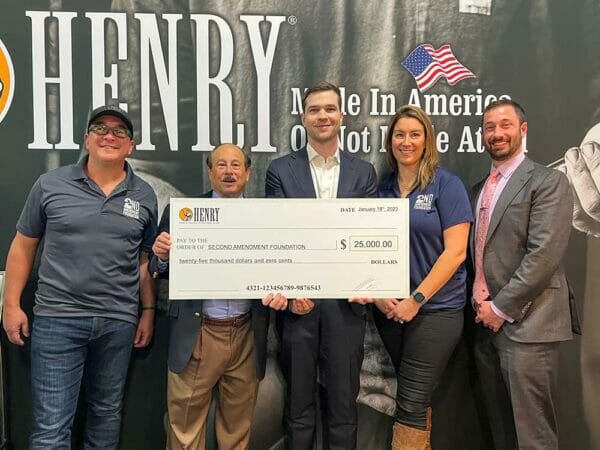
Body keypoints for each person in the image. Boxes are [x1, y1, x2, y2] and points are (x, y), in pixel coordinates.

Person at [1, 105, 158, 449]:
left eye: (120, 132)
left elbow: (144, 260)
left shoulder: (144, 195)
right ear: (87, 139)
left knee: (106, 416)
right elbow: (23, 247)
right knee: (51, 426)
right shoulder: (50, 184)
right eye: (100, 128)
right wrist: (10, 305)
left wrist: (147, 311)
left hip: (118, 321)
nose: (109, 136)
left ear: (131, 146)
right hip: (58, 318)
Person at [148, 143, 288, 450]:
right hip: (199, 331)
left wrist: (282, 291)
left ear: (248, 173)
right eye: (221, 165)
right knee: (184, 427)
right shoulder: (181, 213)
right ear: (210, 172)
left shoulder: (266, 218)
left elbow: (277, 269)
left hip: (247, 333)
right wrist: (160, 255)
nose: (228, 171)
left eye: (236, 165)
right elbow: (160, 268)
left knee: (237, 428)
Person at [264, 80, 377, 450]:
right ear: (304, 118)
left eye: (330, 109)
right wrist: (294, 289)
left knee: (344, 408)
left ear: (341, 116)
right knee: (298, 409)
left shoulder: (364, 173)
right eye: (315, 110)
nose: (323, 116)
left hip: (346, 309)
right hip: (299, 308)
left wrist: (366, 284)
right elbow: (278, 236)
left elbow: (369, 238)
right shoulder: (280, 170)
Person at [469, 99, 577, 450]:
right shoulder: (479, 189)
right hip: (484, 326)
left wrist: (499, 308)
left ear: (523, 129)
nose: (497, 134)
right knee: (499, 431)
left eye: (505, 125)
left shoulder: (548, 181)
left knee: (533, 435)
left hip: (528, 326)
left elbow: (542, 257)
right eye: (489, 127)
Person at [366, 105, 472, 449]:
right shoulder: (381, 190)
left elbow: (455, 252)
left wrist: (417, 299)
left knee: (409, 402)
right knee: (415, 400)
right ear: (390, 142)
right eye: (399, 134)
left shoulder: (446, 185)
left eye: (415, 134)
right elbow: (369, 249)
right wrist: (381, 297)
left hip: (435, 311)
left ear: (427, 141)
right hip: (391, 314)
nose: (406, 141)